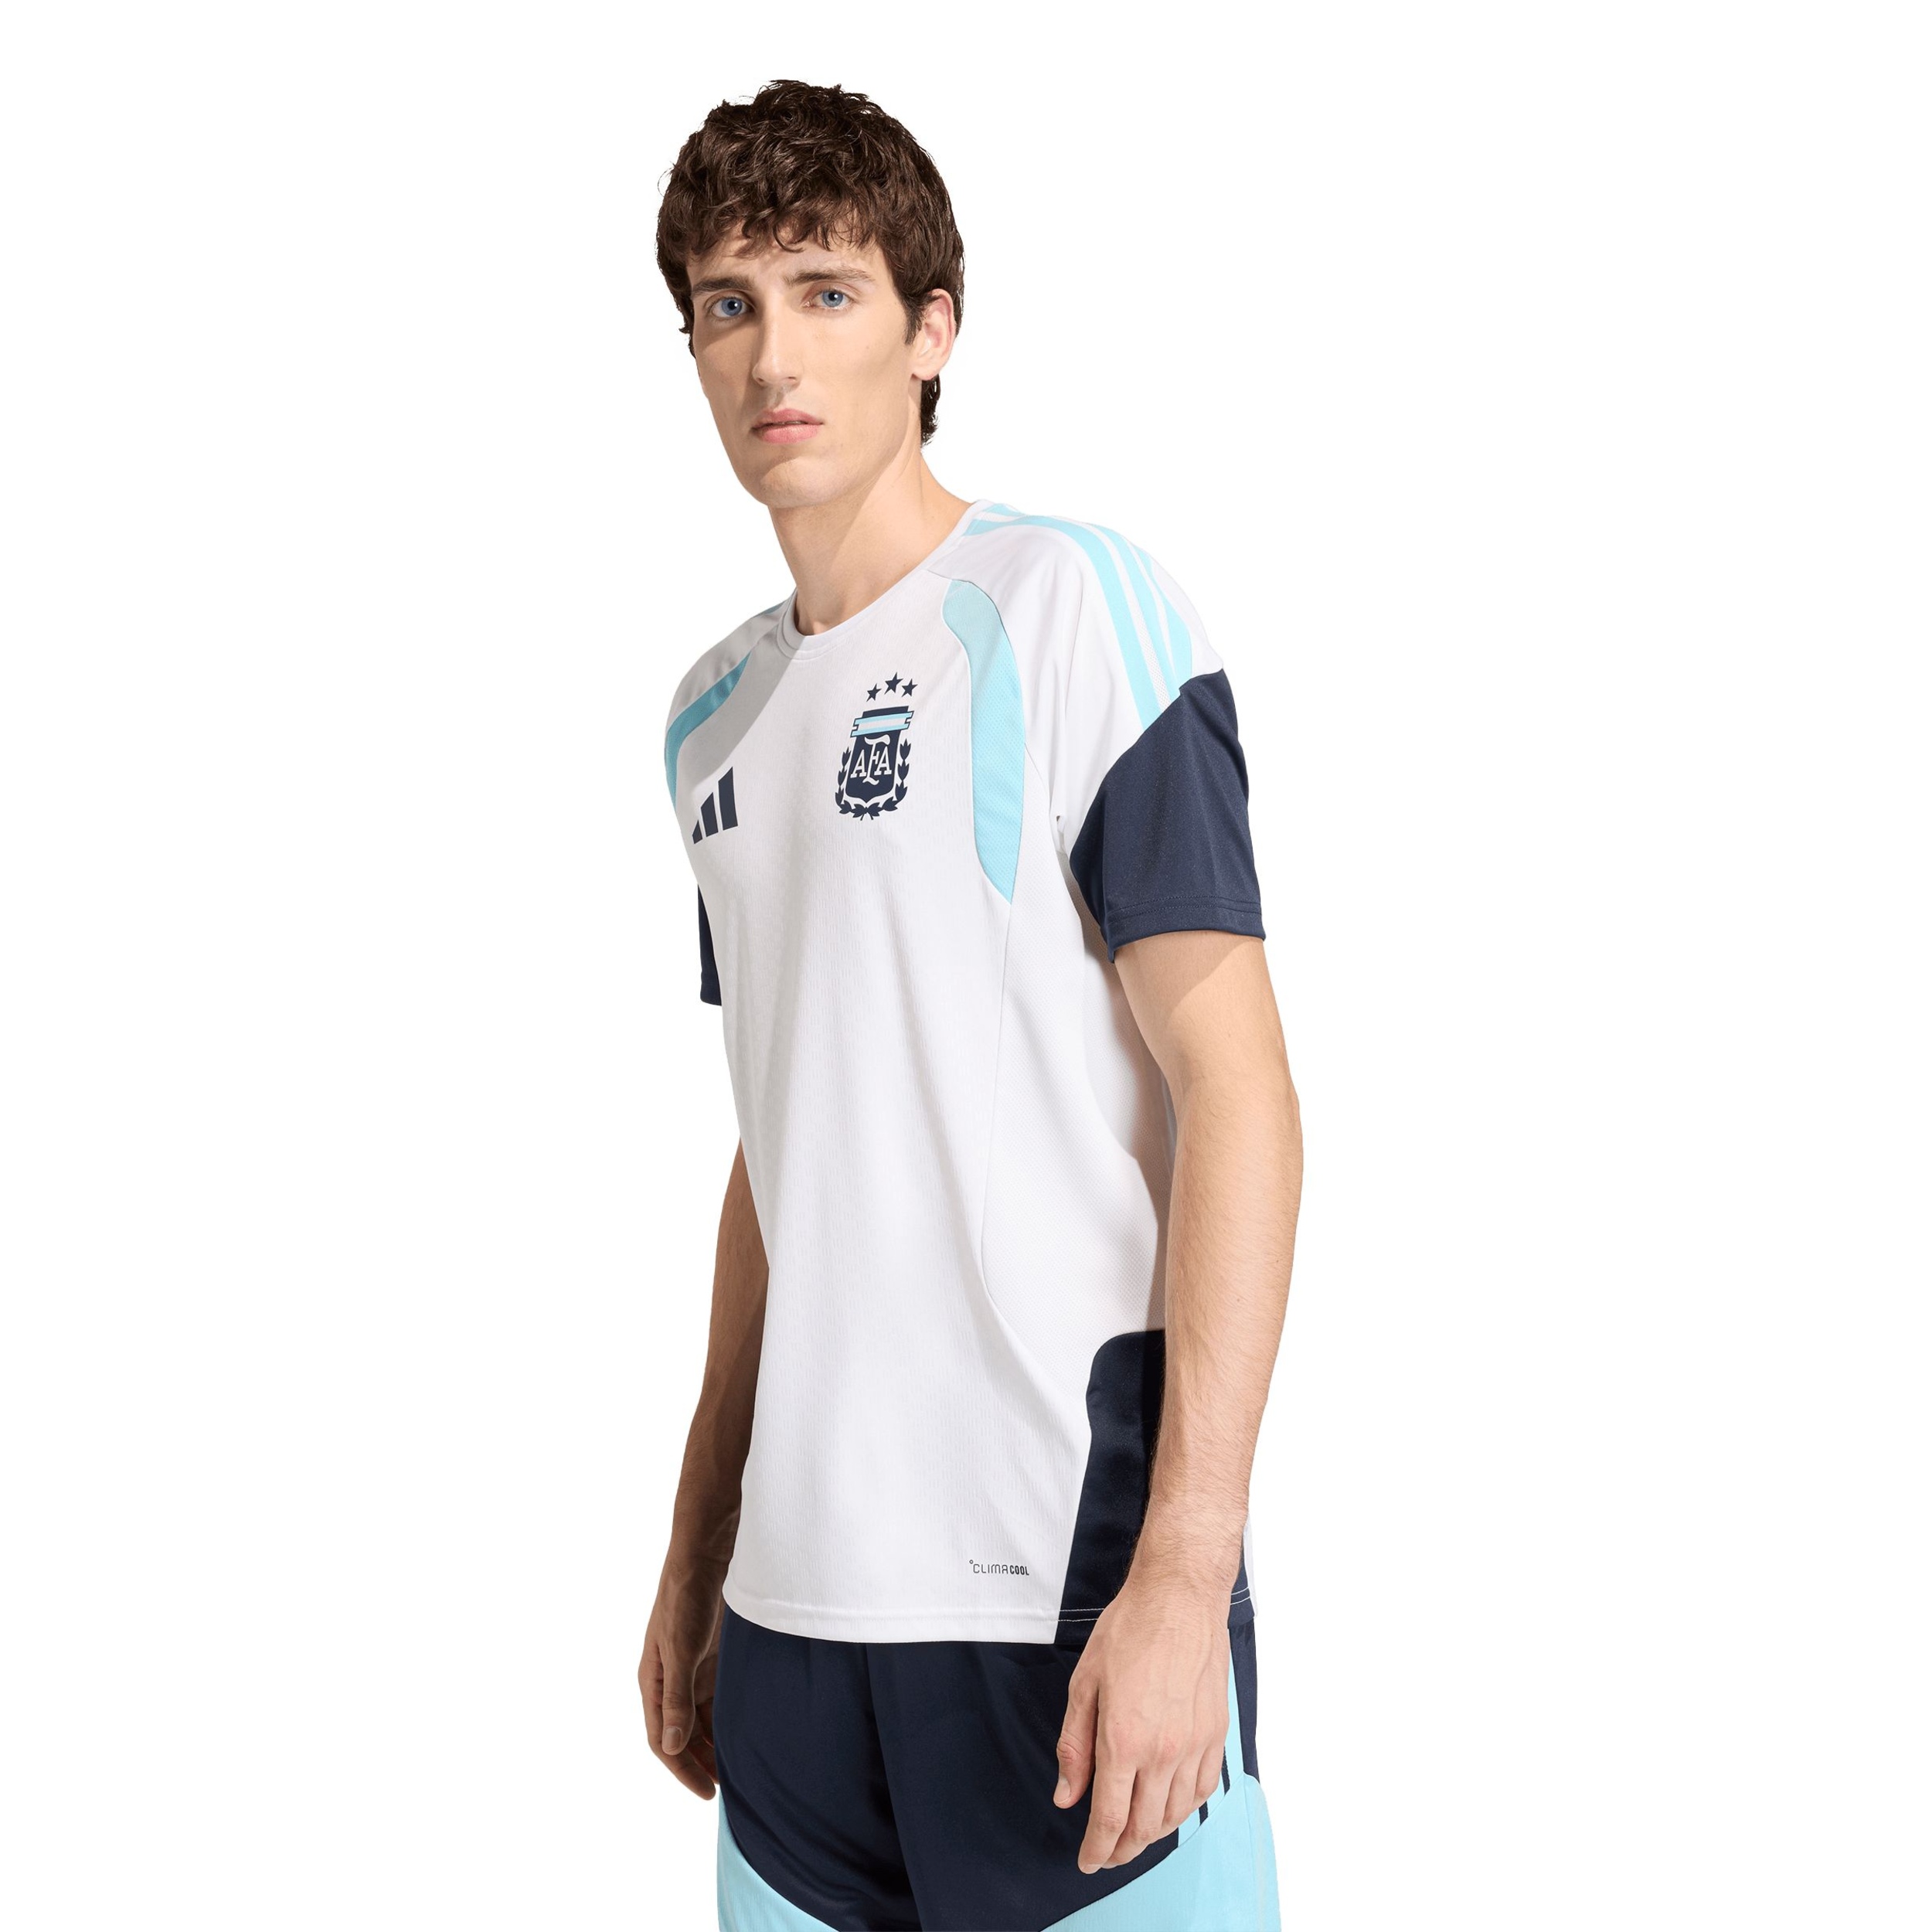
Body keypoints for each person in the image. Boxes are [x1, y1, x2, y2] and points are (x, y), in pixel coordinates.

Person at [640, 78, 1302, 1932]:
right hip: (793, 1627)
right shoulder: (707, 715)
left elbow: (1238, 1090)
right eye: (725, 304)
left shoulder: (1069, 606)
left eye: (826, 291)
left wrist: (1184, 1571)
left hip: (1057, 1597)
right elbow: (784, 1134)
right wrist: (699, 1536)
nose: (773, 353)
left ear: (931, 328)